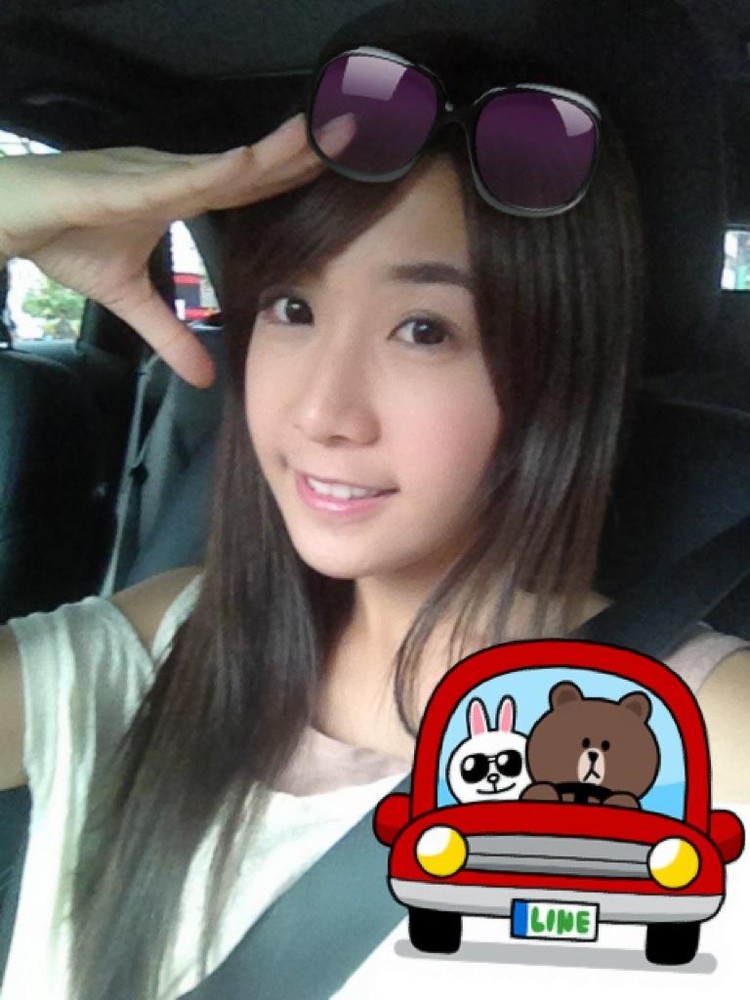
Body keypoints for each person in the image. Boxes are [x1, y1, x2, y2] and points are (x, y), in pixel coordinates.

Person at [0, 16, 748, 1000]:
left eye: (424, 329)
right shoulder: (162, 640)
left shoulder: (702, 741)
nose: (322, 412)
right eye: (293, 308)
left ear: (556, 372)